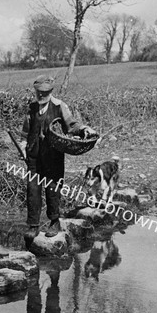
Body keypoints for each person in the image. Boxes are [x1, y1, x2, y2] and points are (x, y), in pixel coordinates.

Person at [20, 75, 97, 239]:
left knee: (53, 189)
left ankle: (54, 222)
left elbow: (72, 125)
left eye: (45, 92)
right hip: (34, 155)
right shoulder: (32, 107)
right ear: (35, 91)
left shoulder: (59, 106)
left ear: (50, 91)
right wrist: (23, 148)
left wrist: (85, 130)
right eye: (39, 92)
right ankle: (33, 225)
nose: (41, 95)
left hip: (53, 155)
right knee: (32, 190)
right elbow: (25, 132)